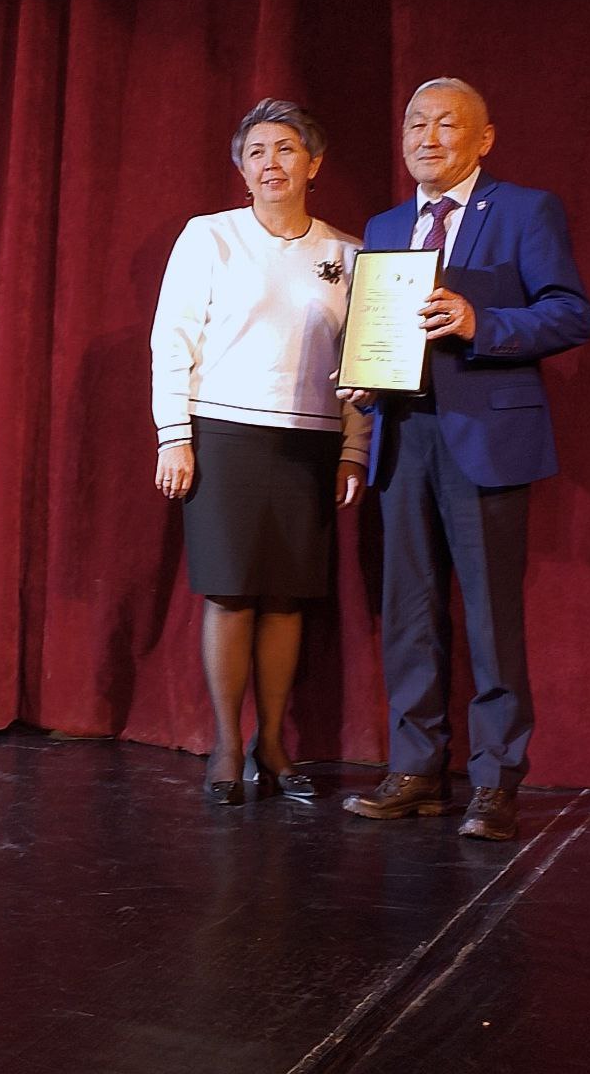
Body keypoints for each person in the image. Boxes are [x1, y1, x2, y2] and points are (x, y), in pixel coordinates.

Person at [339, 78, 590, 841]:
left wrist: (482, 322)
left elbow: (570, 313)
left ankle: (494, 782)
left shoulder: (523, 210)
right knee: (410, 613)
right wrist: (362, 375)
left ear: (483, 139)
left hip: (485, 437)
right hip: (403, 434)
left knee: (490, 615)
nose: (427, 137)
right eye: (415, 123)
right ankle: (416, 770)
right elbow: (377, 325)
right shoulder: (386, 225)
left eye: (446, 124)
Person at [151, 98, 369, 806]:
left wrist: (354, 450)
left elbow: (361, 363)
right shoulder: (209, 236)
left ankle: (273, 745)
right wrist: (174, 434)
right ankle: (226, 744)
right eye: (256, 153)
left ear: (314, 164)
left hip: (310, 441)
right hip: (224, 433)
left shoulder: (348, 254)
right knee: (232, 591)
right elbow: (172, 339)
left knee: (286, 597)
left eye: (285, 149)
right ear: (242, 170)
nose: (270, 163)